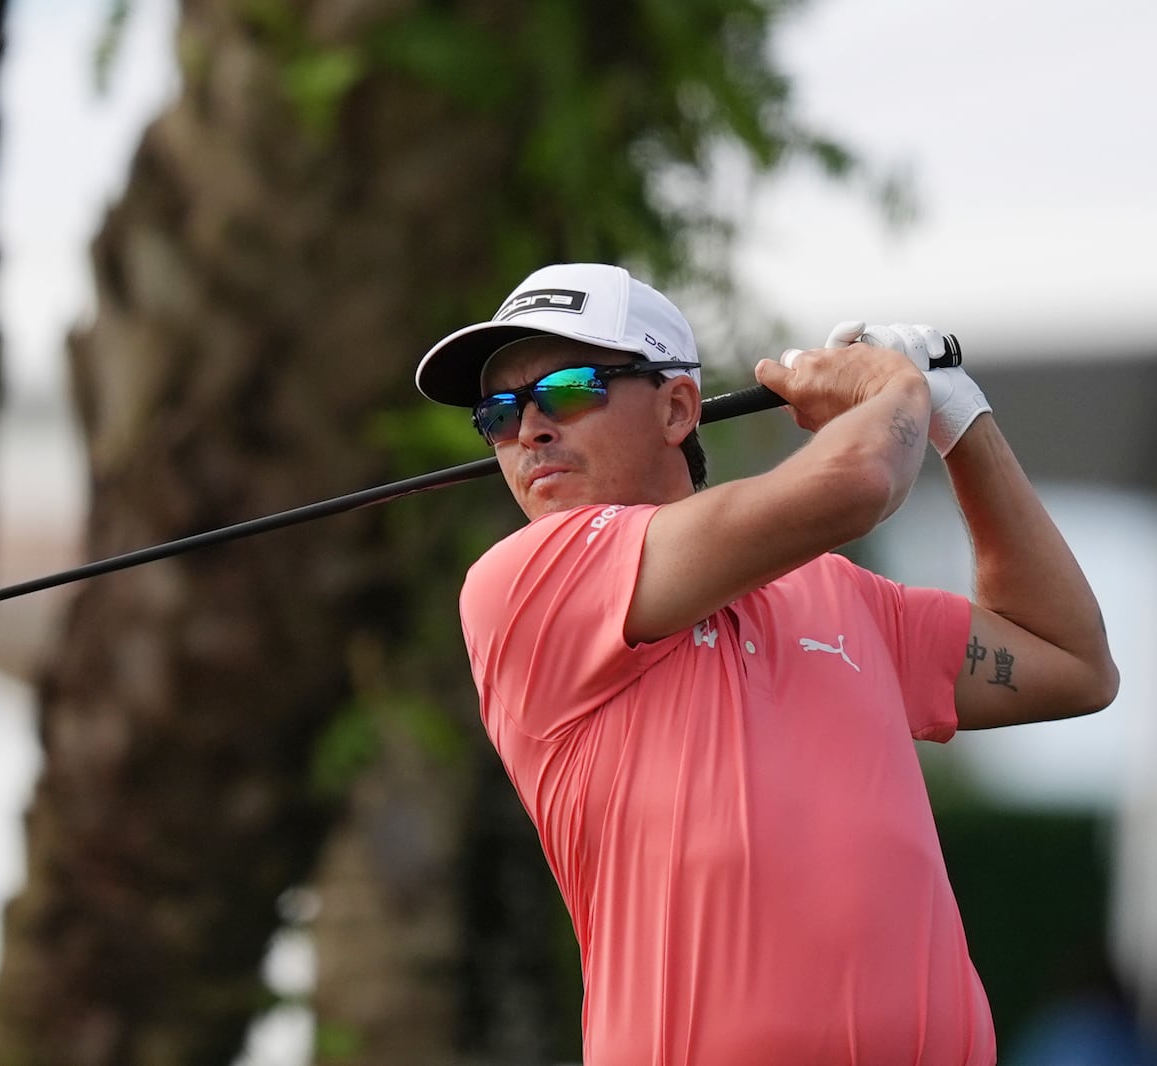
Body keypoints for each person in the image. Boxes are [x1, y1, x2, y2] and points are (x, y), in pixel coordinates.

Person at [413, 263, 1120, 1065]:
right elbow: (858, 479)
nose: (530, 429)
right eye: (499, 413)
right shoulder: (524, 583)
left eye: (570, 390)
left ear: (678, 406)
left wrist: (964, 423)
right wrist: (894, 391)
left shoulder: (844, 597)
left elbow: (1073, 662)